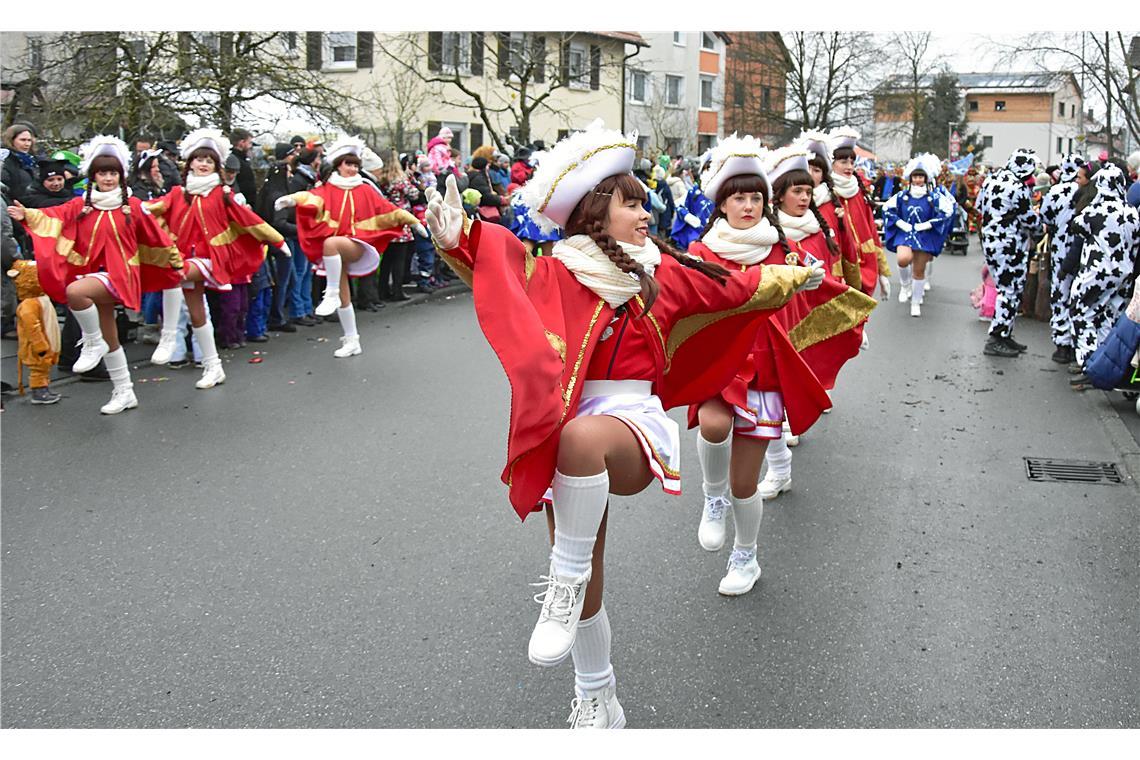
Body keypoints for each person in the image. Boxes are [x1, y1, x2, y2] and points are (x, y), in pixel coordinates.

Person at [426, 120, 819, 729]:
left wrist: (794, 275)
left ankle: (562, 580)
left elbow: (736, 289)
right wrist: (459, 238)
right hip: (569, 426)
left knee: (580, 468)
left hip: (632, 420)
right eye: (630, 202)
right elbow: (501, 266)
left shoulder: (661, 272)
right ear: (593, 214)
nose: (645, 211)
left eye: (642, 199)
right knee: (590, 565)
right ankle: (596, 698)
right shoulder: (557, 273)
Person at [686, 134, 872, 594]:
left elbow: (816, 292)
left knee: (745, 482)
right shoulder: (701, 252)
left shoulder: (783, 248)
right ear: (721, 203)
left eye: (755, 197)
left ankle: (745, 556)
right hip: (719, 366)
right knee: (711, 424)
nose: (748, 205)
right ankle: (712, 500)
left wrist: (844, 314)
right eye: (738, 198)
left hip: (764, 370)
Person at [7, 135, 183, 413]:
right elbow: (54, 215)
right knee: (110, 335)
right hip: (96, 273)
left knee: (75, 292)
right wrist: (26, 214)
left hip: (121, 274)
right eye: (103, 173)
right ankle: (124, 390)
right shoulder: (82, 205)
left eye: (113, 172)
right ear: (93, 175)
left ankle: (91, 341)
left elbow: (157, 236)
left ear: (121, 174)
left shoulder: (132, 206)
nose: (108, 178)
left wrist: (173, 260)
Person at [758, 146, 872, 499]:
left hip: (805, 313)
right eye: (798, 191)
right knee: (763, 397)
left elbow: (824, 274)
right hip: (767, 321)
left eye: (809, 191)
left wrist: (851, 314)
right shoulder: (764, 230)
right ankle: (775, 464)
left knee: (775, 392)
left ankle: (779, 468)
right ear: (778, 195)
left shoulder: (816, 227)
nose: (806, 198)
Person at [144, 128, 284, 387]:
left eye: (209, 161)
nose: (204, 164)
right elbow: (154, 209)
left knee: (176, 274)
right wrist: (131, 209)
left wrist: (276, 239)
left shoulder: (222, 194)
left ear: (216, 166)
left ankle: (169, 335)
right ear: (190, 163)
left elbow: (248, 220)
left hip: (213, 259)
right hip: (185, 258)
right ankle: (212, 365)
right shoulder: (178, 193)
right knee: (197, 312)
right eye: (199, 159)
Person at [276, 136, 425, 358]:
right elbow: (313, 198)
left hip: (357, 244)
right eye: (349, 164)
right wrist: (291, 199)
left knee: (330, 243)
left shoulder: (364, 188)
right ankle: (351, 338)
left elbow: (387, 209)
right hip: (336, 252)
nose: (353, 169)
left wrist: (413, 222)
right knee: (345, 294)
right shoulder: (328, 188)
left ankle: (332, 292)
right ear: (338, 165)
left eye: (356, 165)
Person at [1067, 163, 1140, 387]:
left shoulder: (1096, 211)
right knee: (1109, 317)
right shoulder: (1132, 213)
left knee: (1080, 313)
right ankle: (1106, 365)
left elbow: (1075, 226)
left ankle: (1090, 364)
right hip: (1123, 275)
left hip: (1096, 273)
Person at [978, 148, 1039, 357]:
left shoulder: (991, 180)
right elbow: (1029, 220)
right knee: (1009, 290)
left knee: (1007, 288)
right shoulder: (1018, 187)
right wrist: (1041, 223)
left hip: (991, 242)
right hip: (1010, 245)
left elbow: (980, 207)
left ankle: (1005, 334)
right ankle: (996, 337)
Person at [883, 153, 956, 317]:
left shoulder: (933, 197)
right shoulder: (902, 196)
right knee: (902, 259)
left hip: (924, 236)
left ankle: (915, 302)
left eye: (921, 177)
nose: (918, 180)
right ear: (910, 178)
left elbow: (948, 211)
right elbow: (887, 209)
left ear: (926, 178)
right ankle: (904, 285)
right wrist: (900, 223)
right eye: (915, 176)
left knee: (919, 270)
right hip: (905, 233)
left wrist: (929, 224)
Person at [828, 127, 890, 300]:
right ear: (831, 163)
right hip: (837, 271)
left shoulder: (859, 192)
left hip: (865, 268)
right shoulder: (823, 195)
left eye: (852, 162)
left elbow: (871, 231)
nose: (849, 167)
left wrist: (882, 271)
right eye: (843, 162)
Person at [1039, 154, 1085, 364]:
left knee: (1061, 292)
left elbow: (1045, 217)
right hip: (1084, 250)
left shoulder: (1055, 191)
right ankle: (1080, 343)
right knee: (1080, 294)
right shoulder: (1087, 191)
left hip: (1060, 248)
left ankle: (1062, 343)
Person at [258, 143, 299, 333]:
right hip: (281, 241)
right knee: (284, 281)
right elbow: (279, 222)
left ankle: (277, 315)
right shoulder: (279, 194)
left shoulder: (268, 190)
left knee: (285, 280)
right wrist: (301, 230)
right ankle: (277, 316)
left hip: (275, 240)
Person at [7, 259, 61, 404]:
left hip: (47, 339)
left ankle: (44, 388)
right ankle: (39, 391)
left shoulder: (41, 299)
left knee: (45, 366)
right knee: (38, 367)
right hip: (36, 346)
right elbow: (33, 327)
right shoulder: (28, 306)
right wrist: (40, 345)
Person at [375, 148, 422, 304]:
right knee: (399, 258)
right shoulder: (399, 179)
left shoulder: (380, 179)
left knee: (387, 258)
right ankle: (397, 290)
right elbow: (414, 193)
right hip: (400, 220)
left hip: (385, 220)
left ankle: (382, 290)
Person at [2, 124, 39, 203]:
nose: (27, 144)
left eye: (29, 140)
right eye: (23, 140)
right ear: (11, 140)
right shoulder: (5, 161)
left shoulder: (33, 161)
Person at [229, 128, 258, 203]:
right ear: (242, 142)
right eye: (249, 143)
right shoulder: (233, 160)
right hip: (241, 203)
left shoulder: (242, 159)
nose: (250, 146)